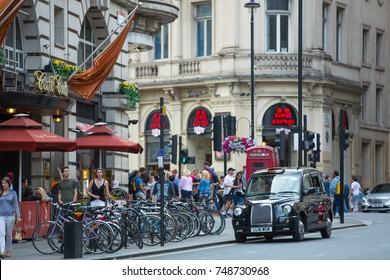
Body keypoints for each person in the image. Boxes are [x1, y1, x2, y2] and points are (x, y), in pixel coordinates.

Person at [0, 176, 21, 258]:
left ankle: (8, 250)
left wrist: (18, 216)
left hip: (10, 216)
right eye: (2, 183)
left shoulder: (13, 193)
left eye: (5, 183)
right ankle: (2, 250)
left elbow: (16, 205)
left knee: (8, 234)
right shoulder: (0, 192)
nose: (3, 185)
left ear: (9, 184)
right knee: (1, 233)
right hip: (1, 216)